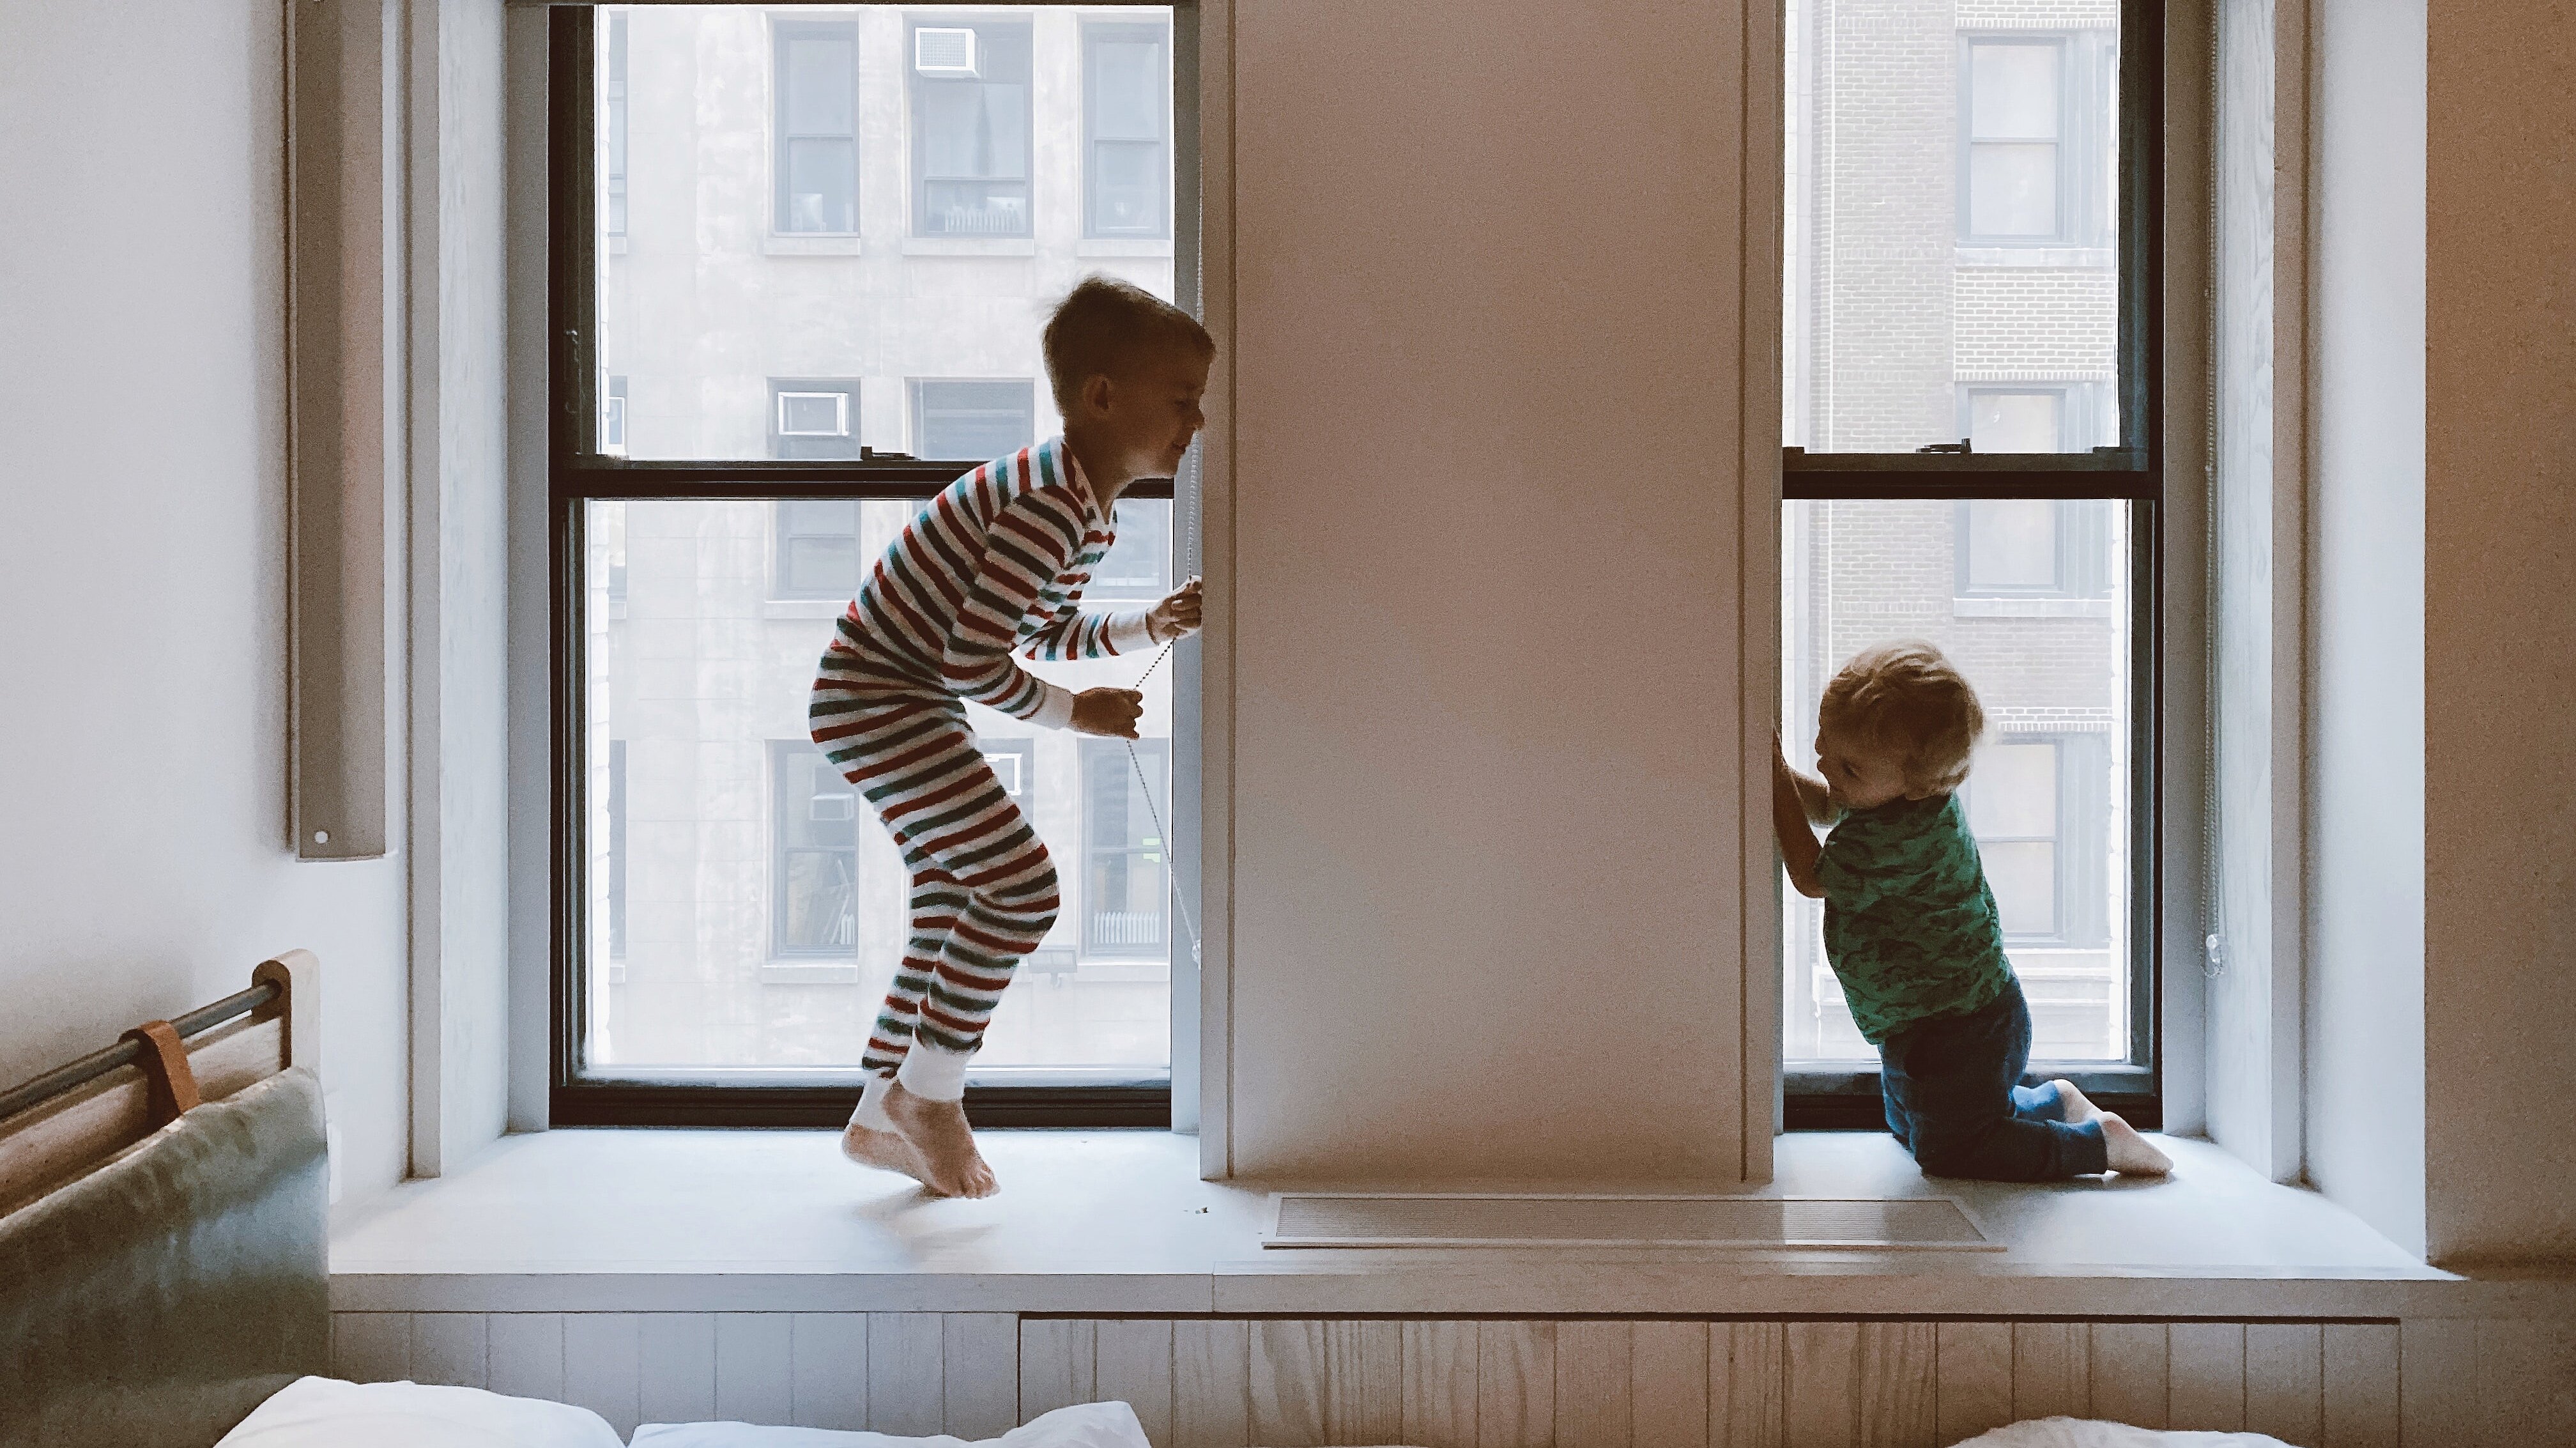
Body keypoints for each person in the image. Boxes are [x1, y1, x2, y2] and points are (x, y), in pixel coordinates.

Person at [810, 276, 1211, 1197]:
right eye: (1181, 399)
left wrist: (1148, 626)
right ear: (1103, 395)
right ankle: (930, 1096)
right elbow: (971, 660)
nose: (1197, 421)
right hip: (884, 697)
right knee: (1023, 888)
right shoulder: (1048, 503)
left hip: (889, 696)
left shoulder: (1078, 504)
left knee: (956, 891)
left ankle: (878, 1111)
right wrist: (1078, 713)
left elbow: (1039, 630)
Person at [1772, 641, 2172, 1180]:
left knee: (1951, 1151)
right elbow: (1828, 802)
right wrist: (1775, 771)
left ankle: (2098, 1147)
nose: (1825, 764)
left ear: (1919, 786)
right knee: (1913, 1124)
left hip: (1959, 1028)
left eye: (1848, 767)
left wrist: (1772, 777)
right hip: (1930, 1019)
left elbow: (1809, 876)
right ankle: (2053, 1102)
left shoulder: (1899, 838)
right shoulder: (1894, 794)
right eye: (1824, 741)